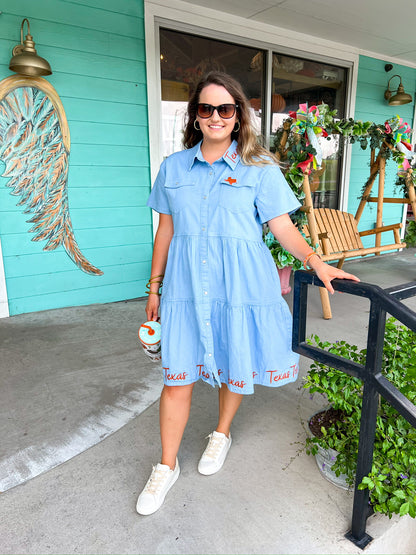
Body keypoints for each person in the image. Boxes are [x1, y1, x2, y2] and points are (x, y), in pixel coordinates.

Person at [136, 71, 359, 516]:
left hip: (240, 286)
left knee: (232, 355)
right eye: (206, 108)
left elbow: (283, 227)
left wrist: (316, 263)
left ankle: (221, 432)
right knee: (176, 376)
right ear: (195, 116)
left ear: (238, 116)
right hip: (184, 287)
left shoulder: (260, 169)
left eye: (225, 108)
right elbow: (165, 230)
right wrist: (155, 286)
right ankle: (165, 465)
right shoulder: (174, 168)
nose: (216, 116)